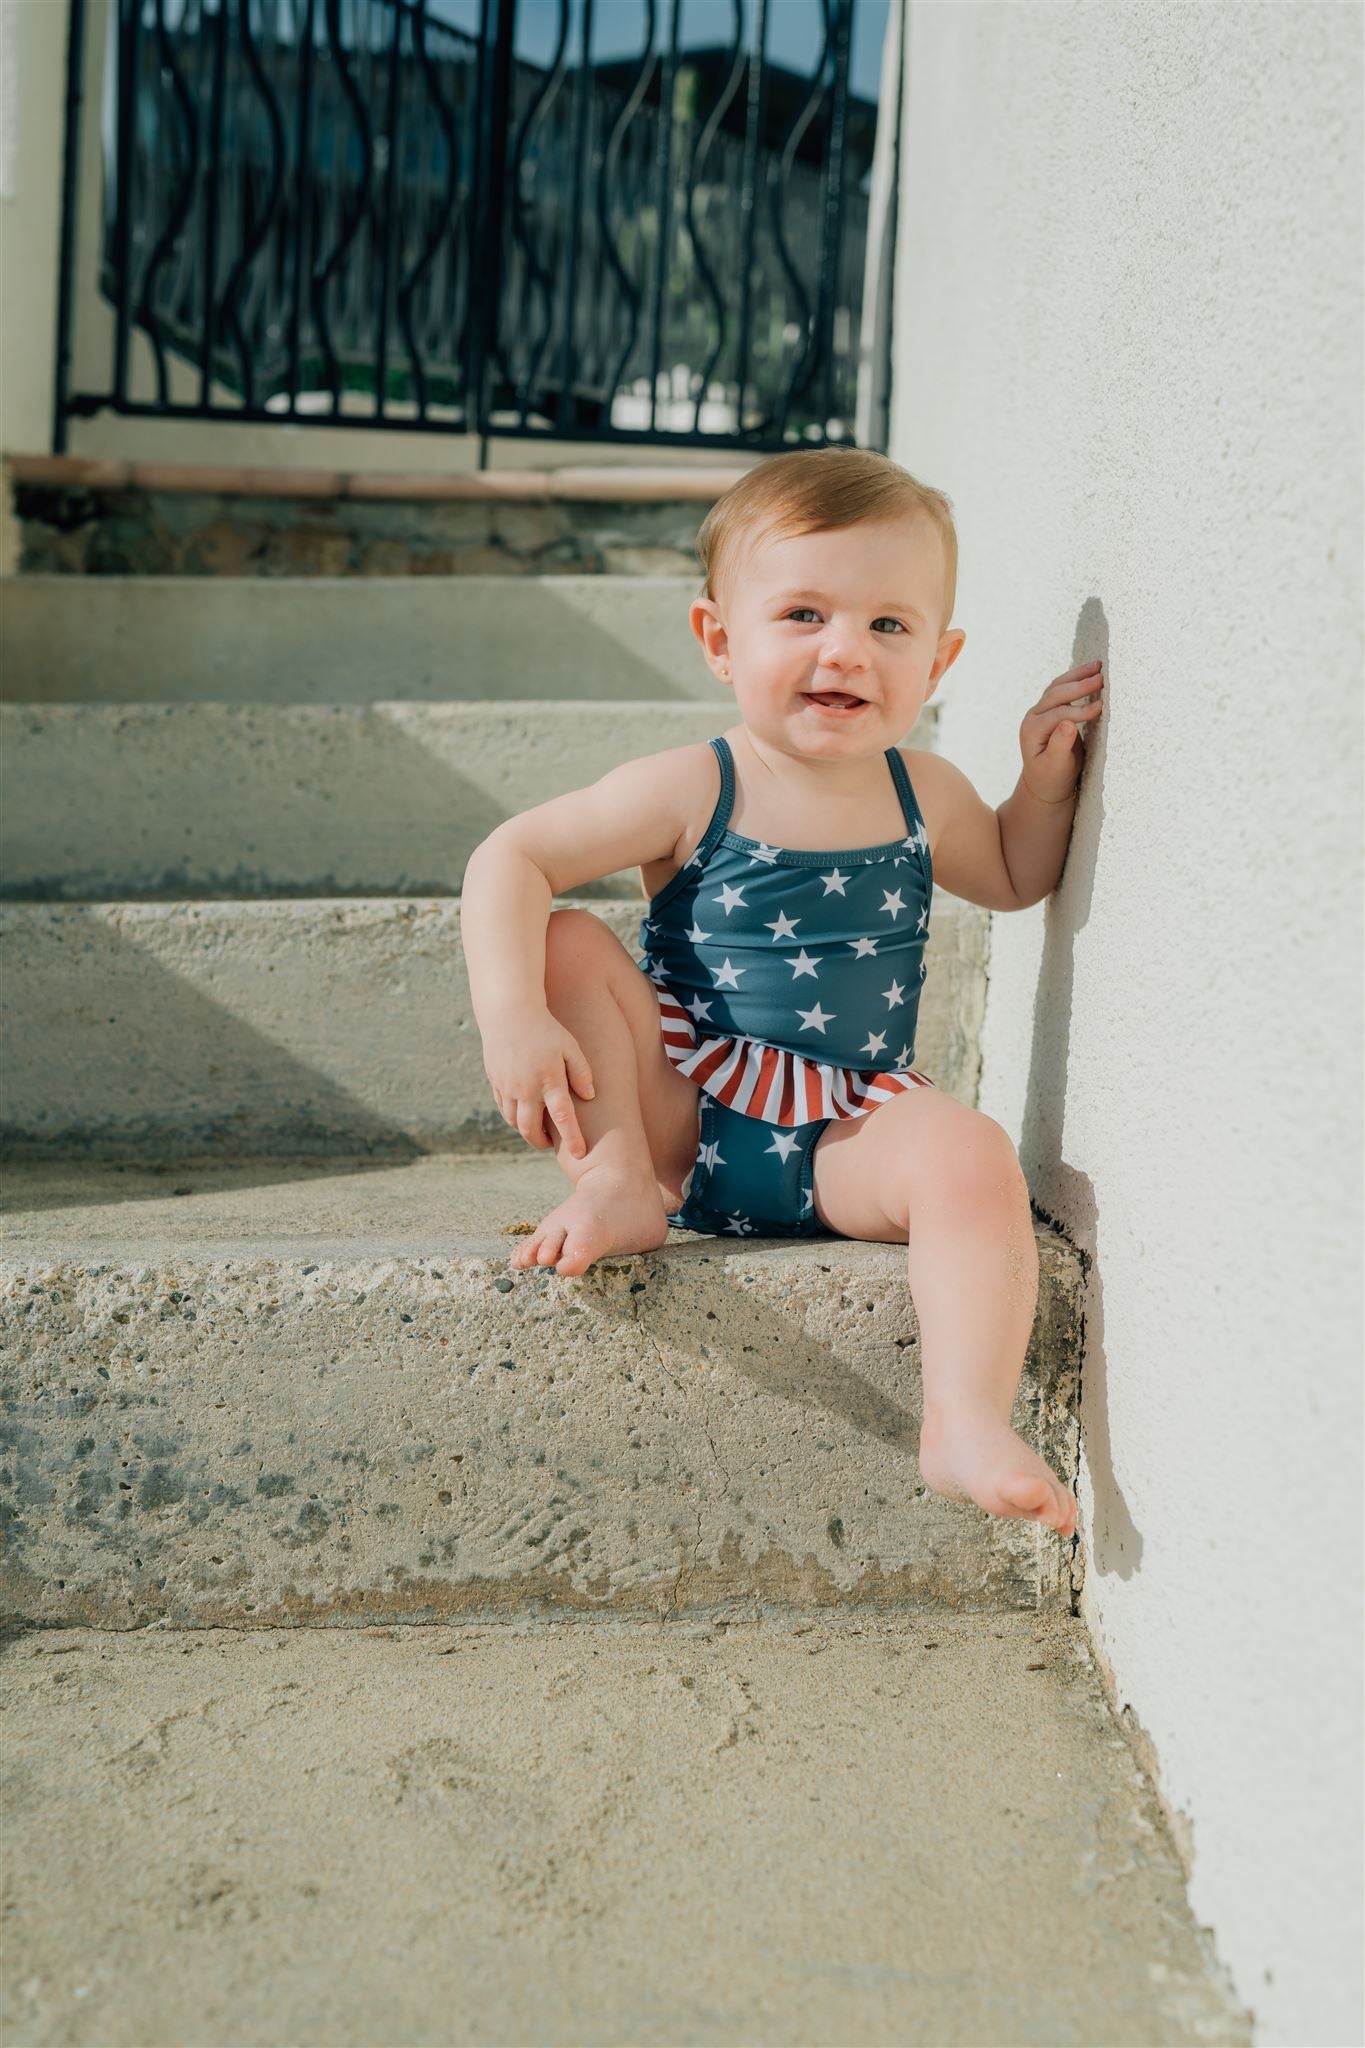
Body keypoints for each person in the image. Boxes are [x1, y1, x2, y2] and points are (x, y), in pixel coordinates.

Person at [461, 448, 1104, 1538]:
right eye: (803, 612)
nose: (845, 649)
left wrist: (1043, 785)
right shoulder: (695, 782)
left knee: (972, 1155)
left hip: (845, 1131)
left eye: (889, 627)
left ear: (938, 660)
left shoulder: (924, 791)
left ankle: (962, 1416)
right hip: (678, 1114)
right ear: (722, 639)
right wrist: (512, 1013)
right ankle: (616, 1181)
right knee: (567, 939)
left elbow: (1010, 872)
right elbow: (511, 855)